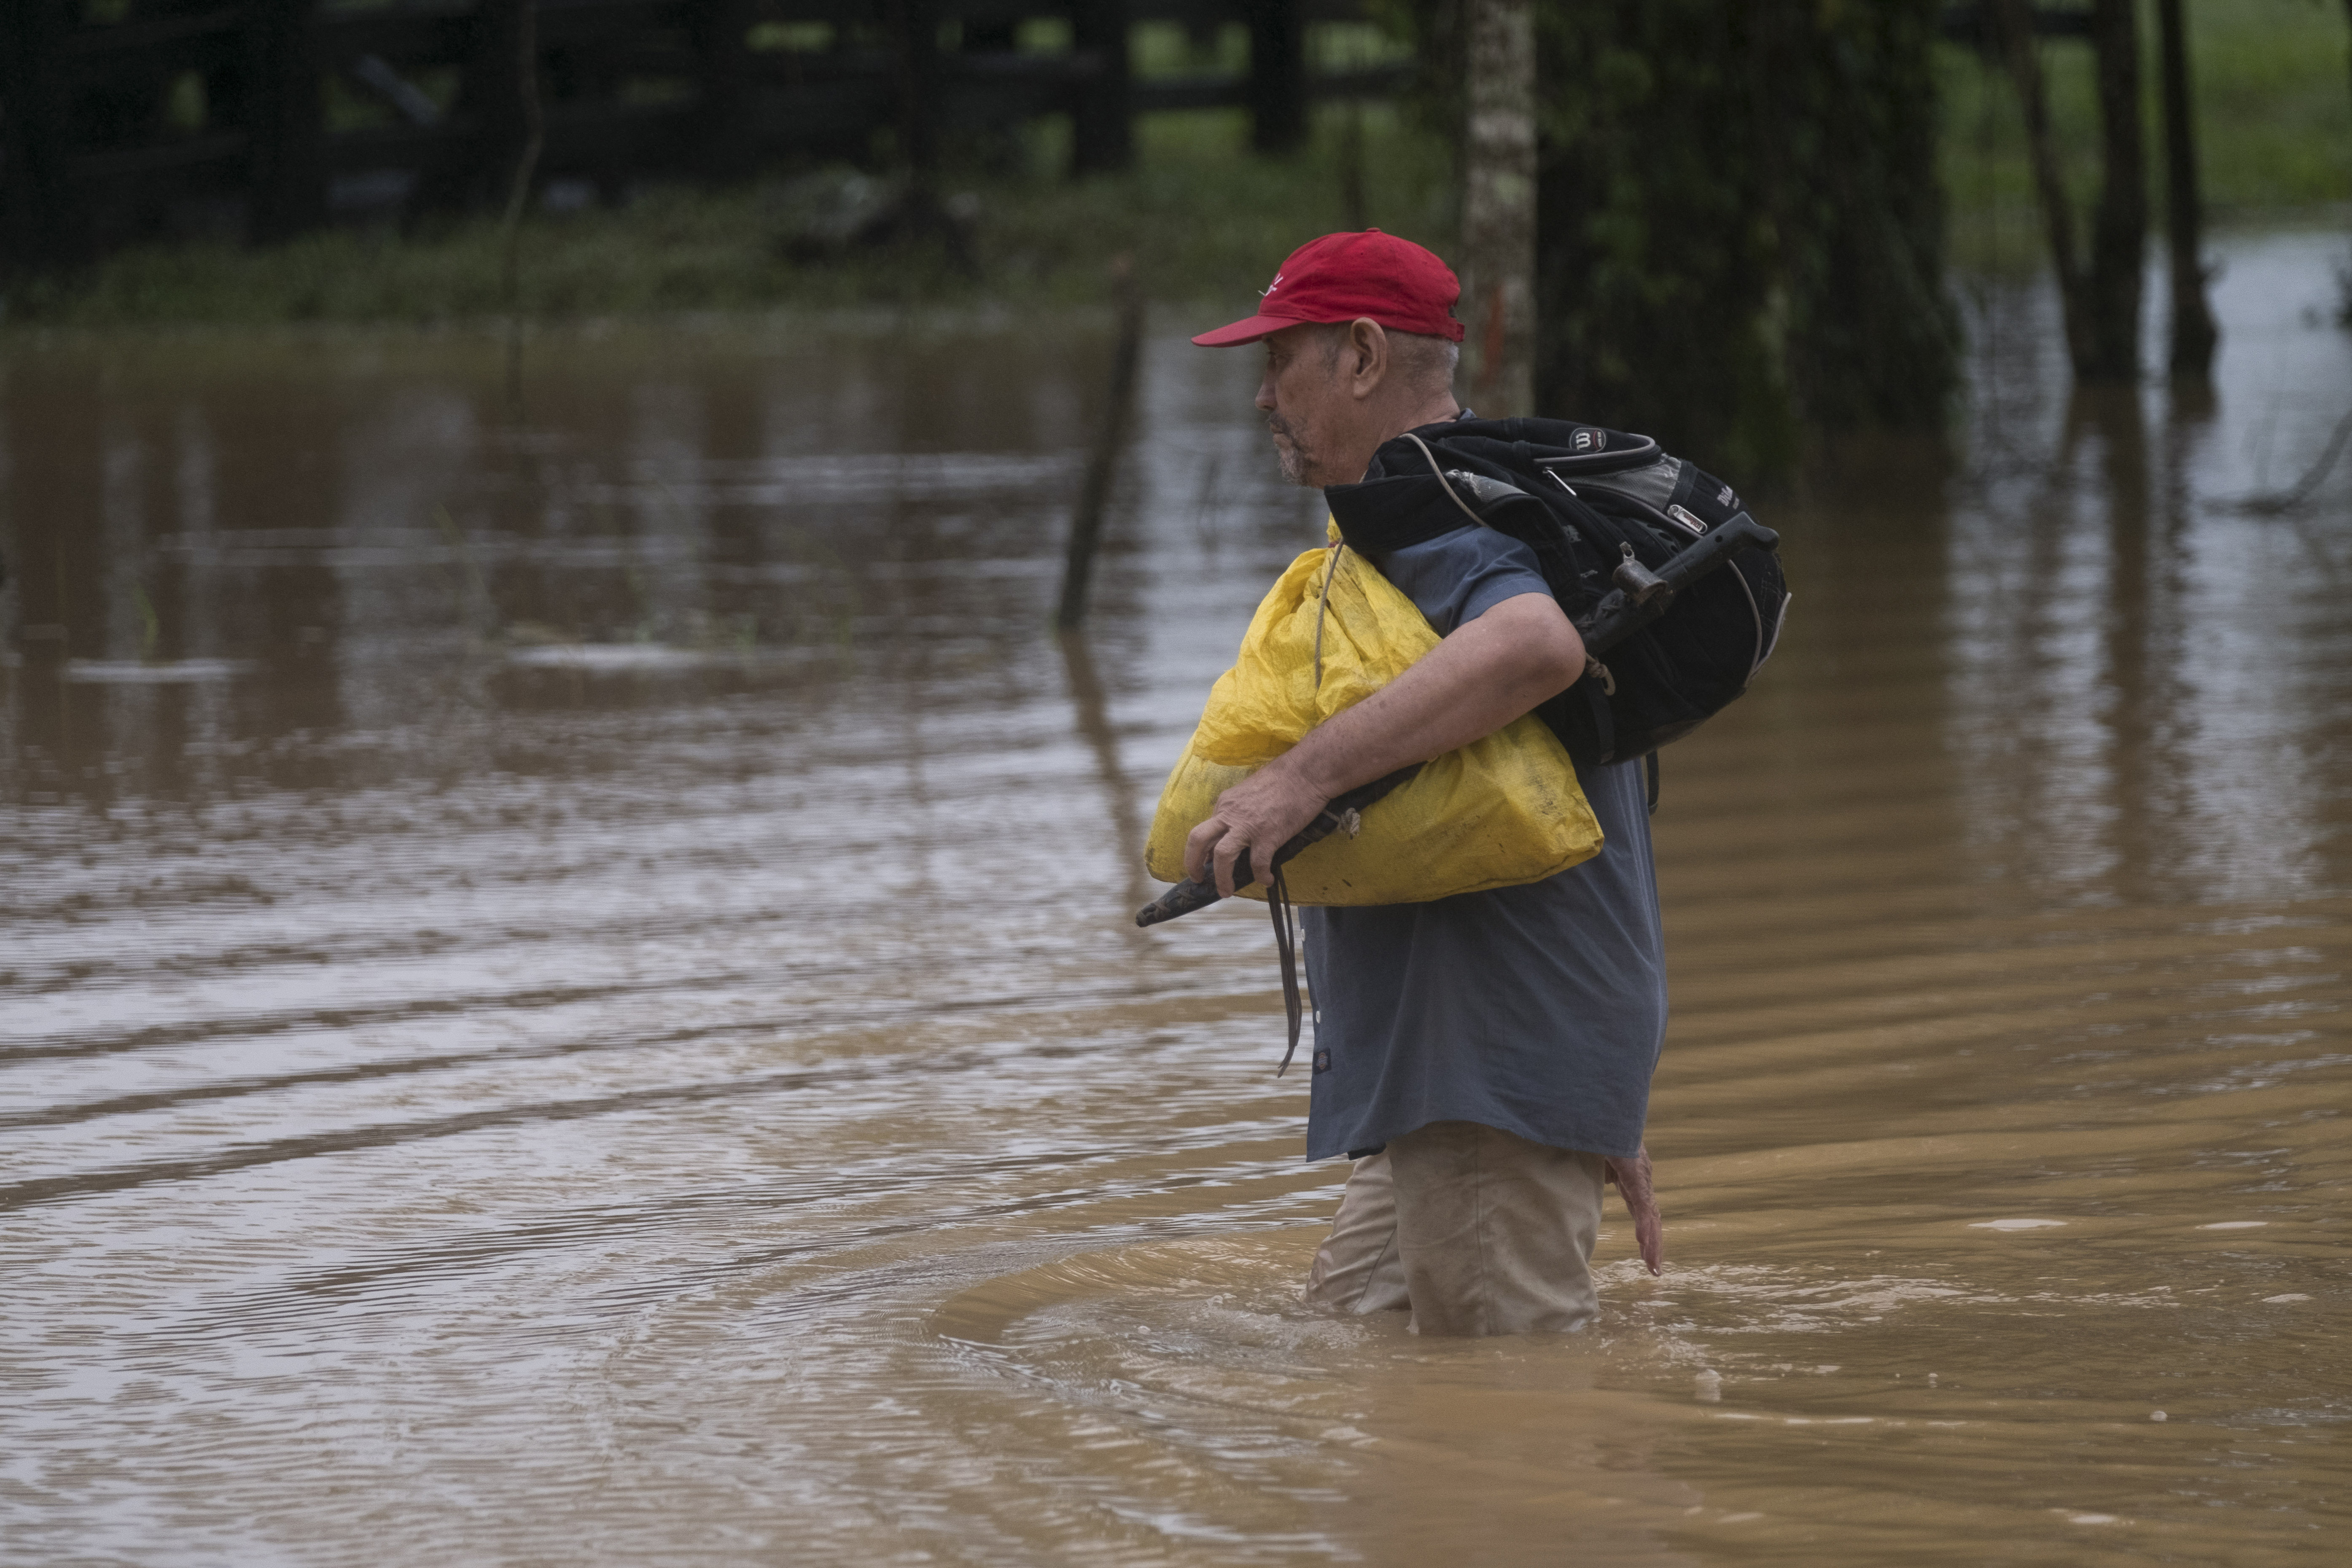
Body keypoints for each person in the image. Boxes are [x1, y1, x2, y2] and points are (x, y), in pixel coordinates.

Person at [1186, 230, 1666, 1337]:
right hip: (1470, 1068)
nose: (1264, 396)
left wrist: (1295, 781)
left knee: (1507, 1411)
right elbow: (1587, 787)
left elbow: (1534, 646)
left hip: (1483, 1062)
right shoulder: (1500, 501)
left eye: (1281, 361)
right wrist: (1597, 1085)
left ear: (1361, 356)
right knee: (1352, 1344)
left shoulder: (1431, 509)